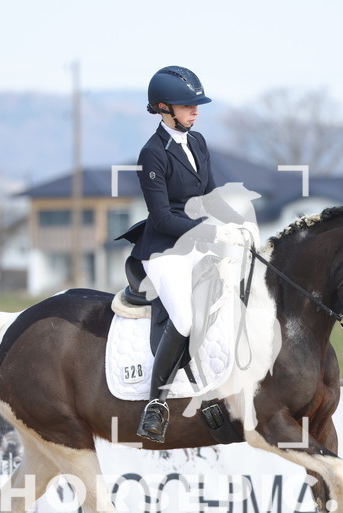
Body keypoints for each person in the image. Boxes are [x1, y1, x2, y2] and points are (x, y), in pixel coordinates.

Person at [127, 65, 246, 443]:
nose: (196, 112)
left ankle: (211, 385)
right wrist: (212, 230)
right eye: (187, 106)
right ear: (164, 108)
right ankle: (156, 403)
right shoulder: (152, 154)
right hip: (163, 250)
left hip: (196, 244)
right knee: (185, 316)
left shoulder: (198, 143)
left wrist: (238, 223)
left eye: (197, 105)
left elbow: (208, 197)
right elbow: (161, 217)